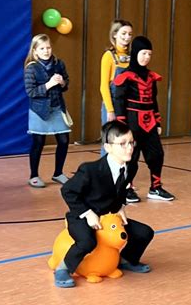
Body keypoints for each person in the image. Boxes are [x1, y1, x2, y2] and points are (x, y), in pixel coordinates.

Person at [53, 121, 154, 288]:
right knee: (87, 242)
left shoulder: (132, 166)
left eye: (131, 142)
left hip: (108, 218)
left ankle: (126, 260)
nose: (129, 148)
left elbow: (119, 188)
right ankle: (63, 268)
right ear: (108, 147)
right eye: (122, 144)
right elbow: (68, 191)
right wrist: (87, 213)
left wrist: (120, 206)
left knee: (145, 233)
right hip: (82, 216)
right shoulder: (89, 170)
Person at [113, 36, 175, 201]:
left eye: (149, 54)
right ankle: (126, 188)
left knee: (157, 154)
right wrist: (121, 124)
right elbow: (119, 100)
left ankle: (155, 187)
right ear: (135, 53)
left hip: (149, 122)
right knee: (131, 157)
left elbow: (154, 100)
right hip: (132, 121)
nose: (146, 57)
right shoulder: (126, 75)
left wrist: (158, 120)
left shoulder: (151, 77)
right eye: (143, 53)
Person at [24, 34, 71, 188]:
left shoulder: (59, 64)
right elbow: (31, 92)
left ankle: (58, 173)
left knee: (64, 140)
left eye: (48, 47)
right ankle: (34, 175)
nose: (46, 51)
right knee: (38, 142)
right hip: (39, 111)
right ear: (35, 51)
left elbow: (66, 84)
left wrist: (62, 82)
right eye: (42, 48)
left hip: (57, 108)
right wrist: (49, 84)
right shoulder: (31, 68)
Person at [100, 19, 139, 203]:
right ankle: (105, 183)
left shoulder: (132, 56)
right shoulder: (109, 56)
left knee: (128, 145)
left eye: (129, 34)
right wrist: (109, 110)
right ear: (114, 34)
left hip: (129, 106)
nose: (126, 37)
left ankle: (126, 184)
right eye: (123, 33)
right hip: (114, 106)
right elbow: (103, 86)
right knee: (110, 145)